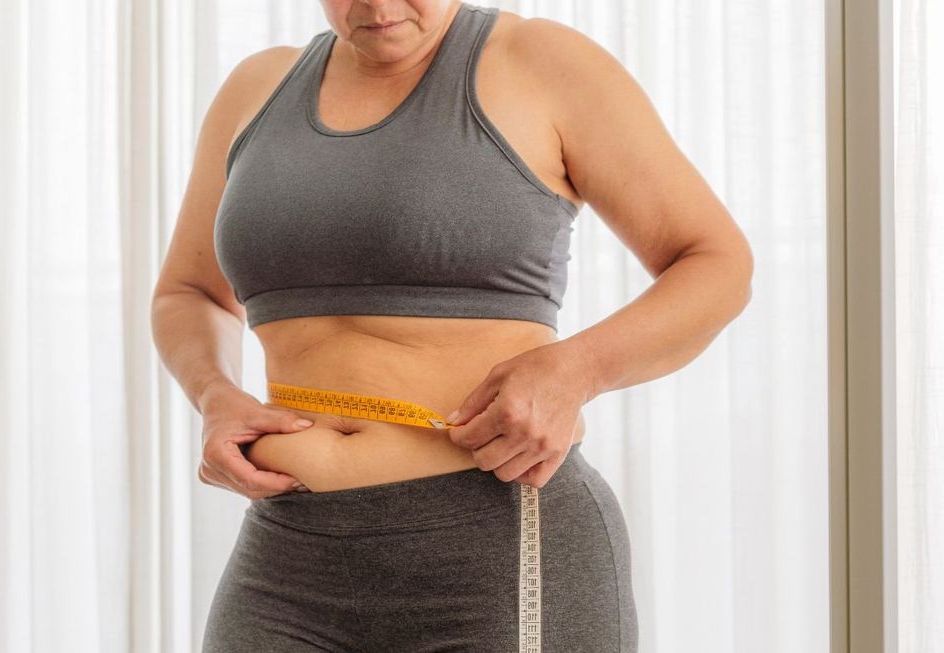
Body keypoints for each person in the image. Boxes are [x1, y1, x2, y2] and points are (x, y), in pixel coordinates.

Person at [151, 1, 753, 651]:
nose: (378, 7)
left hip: (492, 546)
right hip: (286, 560)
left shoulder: (541, 64)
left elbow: (717, 265)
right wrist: (214, 393)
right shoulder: (255, 88)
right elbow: (191, 292)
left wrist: (577, 369)